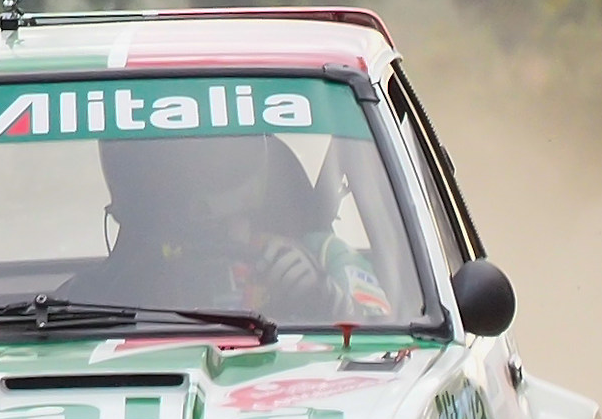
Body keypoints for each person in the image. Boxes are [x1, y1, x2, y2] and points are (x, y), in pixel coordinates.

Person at [68, 134, 393, 321]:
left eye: (231, 224)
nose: (220, 238)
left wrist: (326, 299)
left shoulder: (320, 254)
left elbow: (390, 342)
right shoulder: (120, 280)